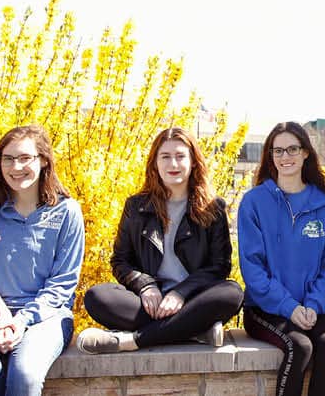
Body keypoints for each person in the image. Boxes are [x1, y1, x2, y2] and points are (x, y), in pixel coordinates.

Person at [76, 127, 243, 353]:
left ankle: (134, 340)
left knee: (232, 293)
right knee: (97, 297)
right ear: (155, 162)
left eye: (180, 156)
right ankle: (193, 329)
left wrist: (180, 293)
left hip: (194, 300)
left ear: (193, 161)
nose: (173, 164)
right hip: (149, 305)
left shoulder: (213, 208)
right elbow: (121, 261)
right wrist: (146, 286)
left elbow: (219, 267)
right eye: (165, 157)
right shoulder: (136, 207)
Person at [0, 126, 85, 396]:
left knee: (24, 374)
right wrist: (2, 314)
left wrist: (22, 319)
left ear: (43, 160)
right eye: (8, 159)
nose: (16, 167)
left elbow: (62, 283)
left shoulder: (66, 211)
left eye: (25, 158)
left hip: (47, 314)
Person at [237, 122, 325, 396]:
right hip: (265, 309)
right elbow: (252, 268)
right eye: (278, 151)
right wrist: (288, 307)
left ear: (306, 152)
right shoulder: (254, 202)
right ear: (270, 156)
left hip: (312, 307)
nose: (285, 157)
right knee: (300, 346)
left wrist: (313, 304)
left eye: (292, 149)